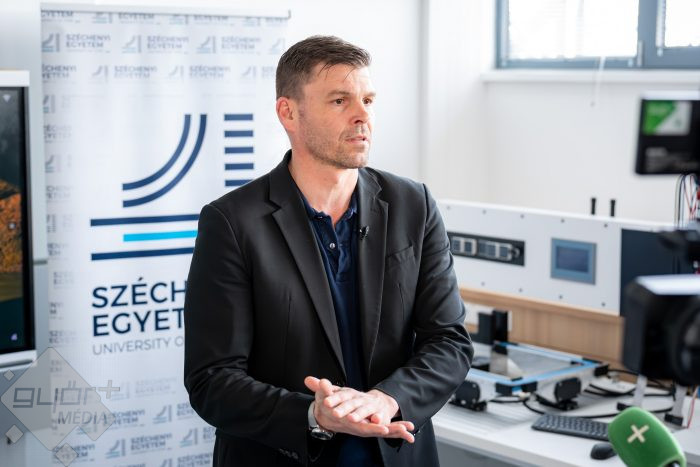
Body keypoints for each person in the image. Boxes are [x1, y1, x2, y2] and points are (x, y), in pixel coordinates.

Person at [184, 35, 473, 467]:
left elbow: (449, 341)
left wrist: (387, 399)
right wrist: (314, 415)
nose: (362, 116)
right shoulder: (232, 222)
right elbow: (212, 380)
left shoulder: (415, 205)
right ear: (288, 113)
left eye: (368, 100)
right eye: (340, 101)